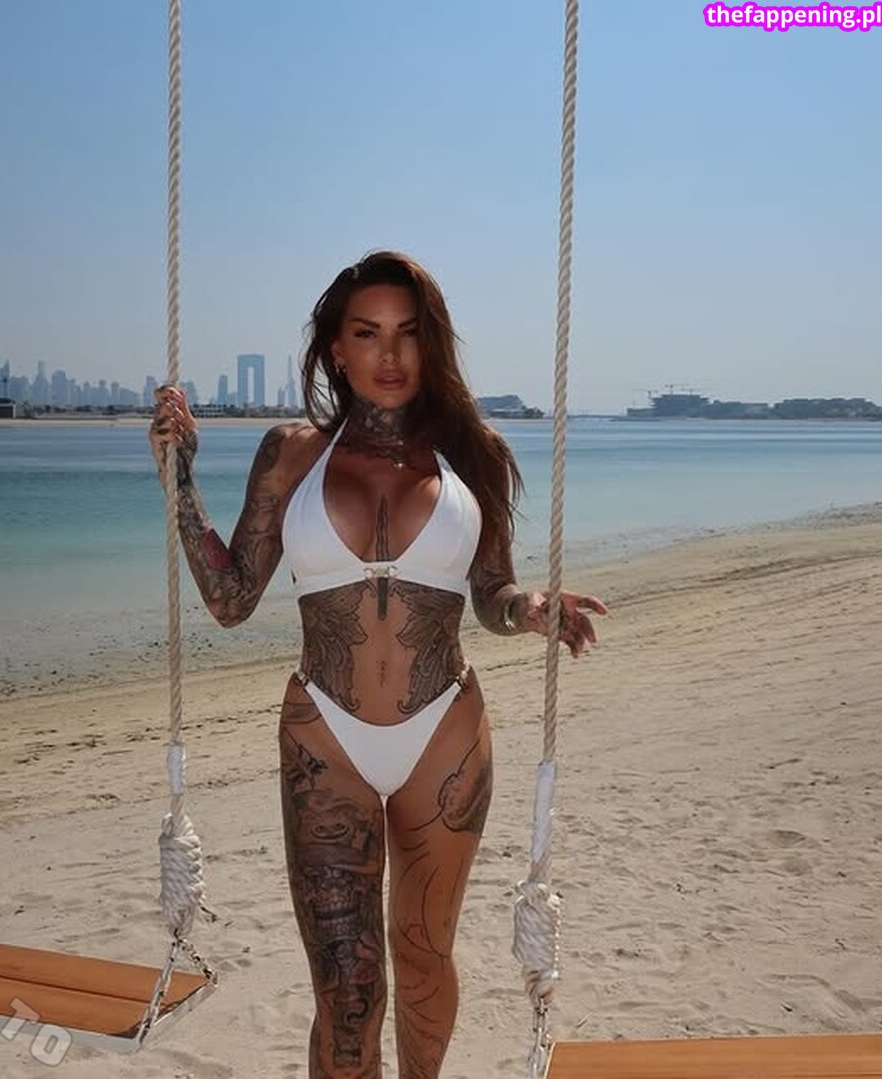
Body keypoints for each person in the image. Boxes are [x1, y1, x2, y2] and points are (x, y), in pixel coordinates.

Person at [149, 250, 606, 1078]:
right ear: (337, 348)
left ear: (432, 344)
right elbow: (230, 598)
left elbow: (492, 592)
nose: (389, 354)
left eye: (408, 333)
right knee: (347, 990)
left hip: (445, 734)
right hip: (326, 739)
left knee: (423, 956)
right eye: (367, 333)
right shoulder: (291, 453)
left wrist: (531, 609)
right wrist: (180, 480)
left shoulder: (474, 452)